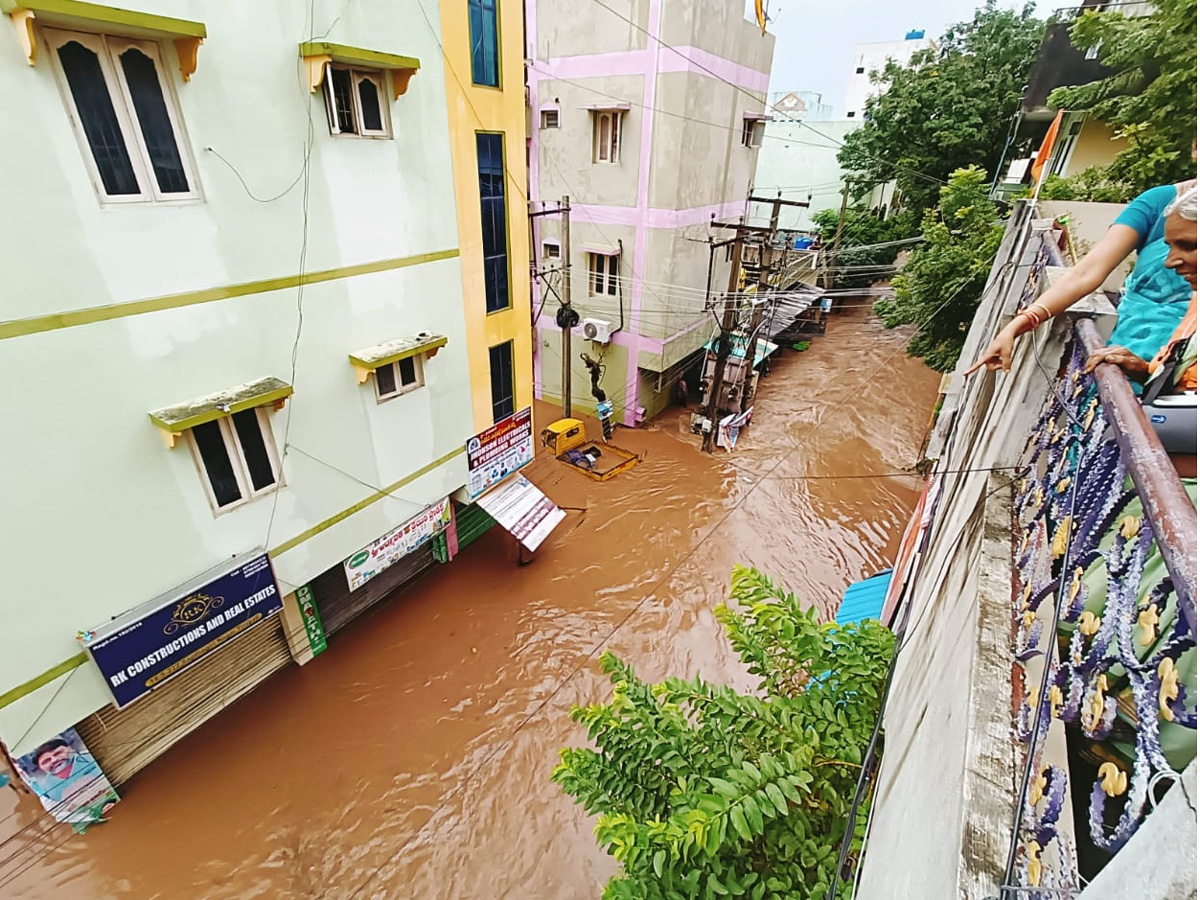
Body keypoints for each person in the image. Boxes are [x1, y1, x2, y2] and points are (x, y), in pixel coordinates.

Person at [970, 172, 1197, 374]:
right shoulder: (1160, 204)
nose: (1171, 262)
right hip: (1130, 357)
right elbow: (1086, 272)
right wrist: (1020, 323)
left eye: (1188, 246)